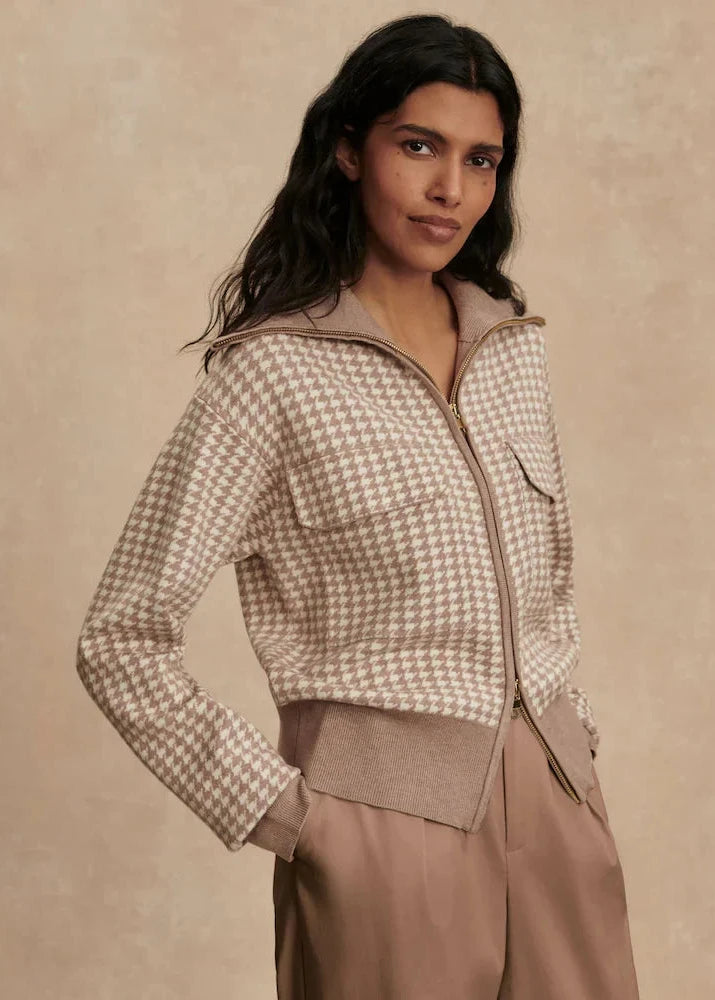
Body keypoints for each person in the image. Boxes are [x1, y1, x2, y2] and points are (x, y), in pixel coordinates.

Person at [76, 13, 640, 999]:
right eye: (418, 146)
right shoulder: (272, 374)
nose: (448, 190)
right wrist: (291, 815)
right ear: (347, 148)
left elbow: (548, 582)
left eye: (481, 159)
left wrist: (574, 747)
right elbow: (121, 633)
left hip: (556, 811)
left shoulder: (514, 347)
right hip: (379, 836)